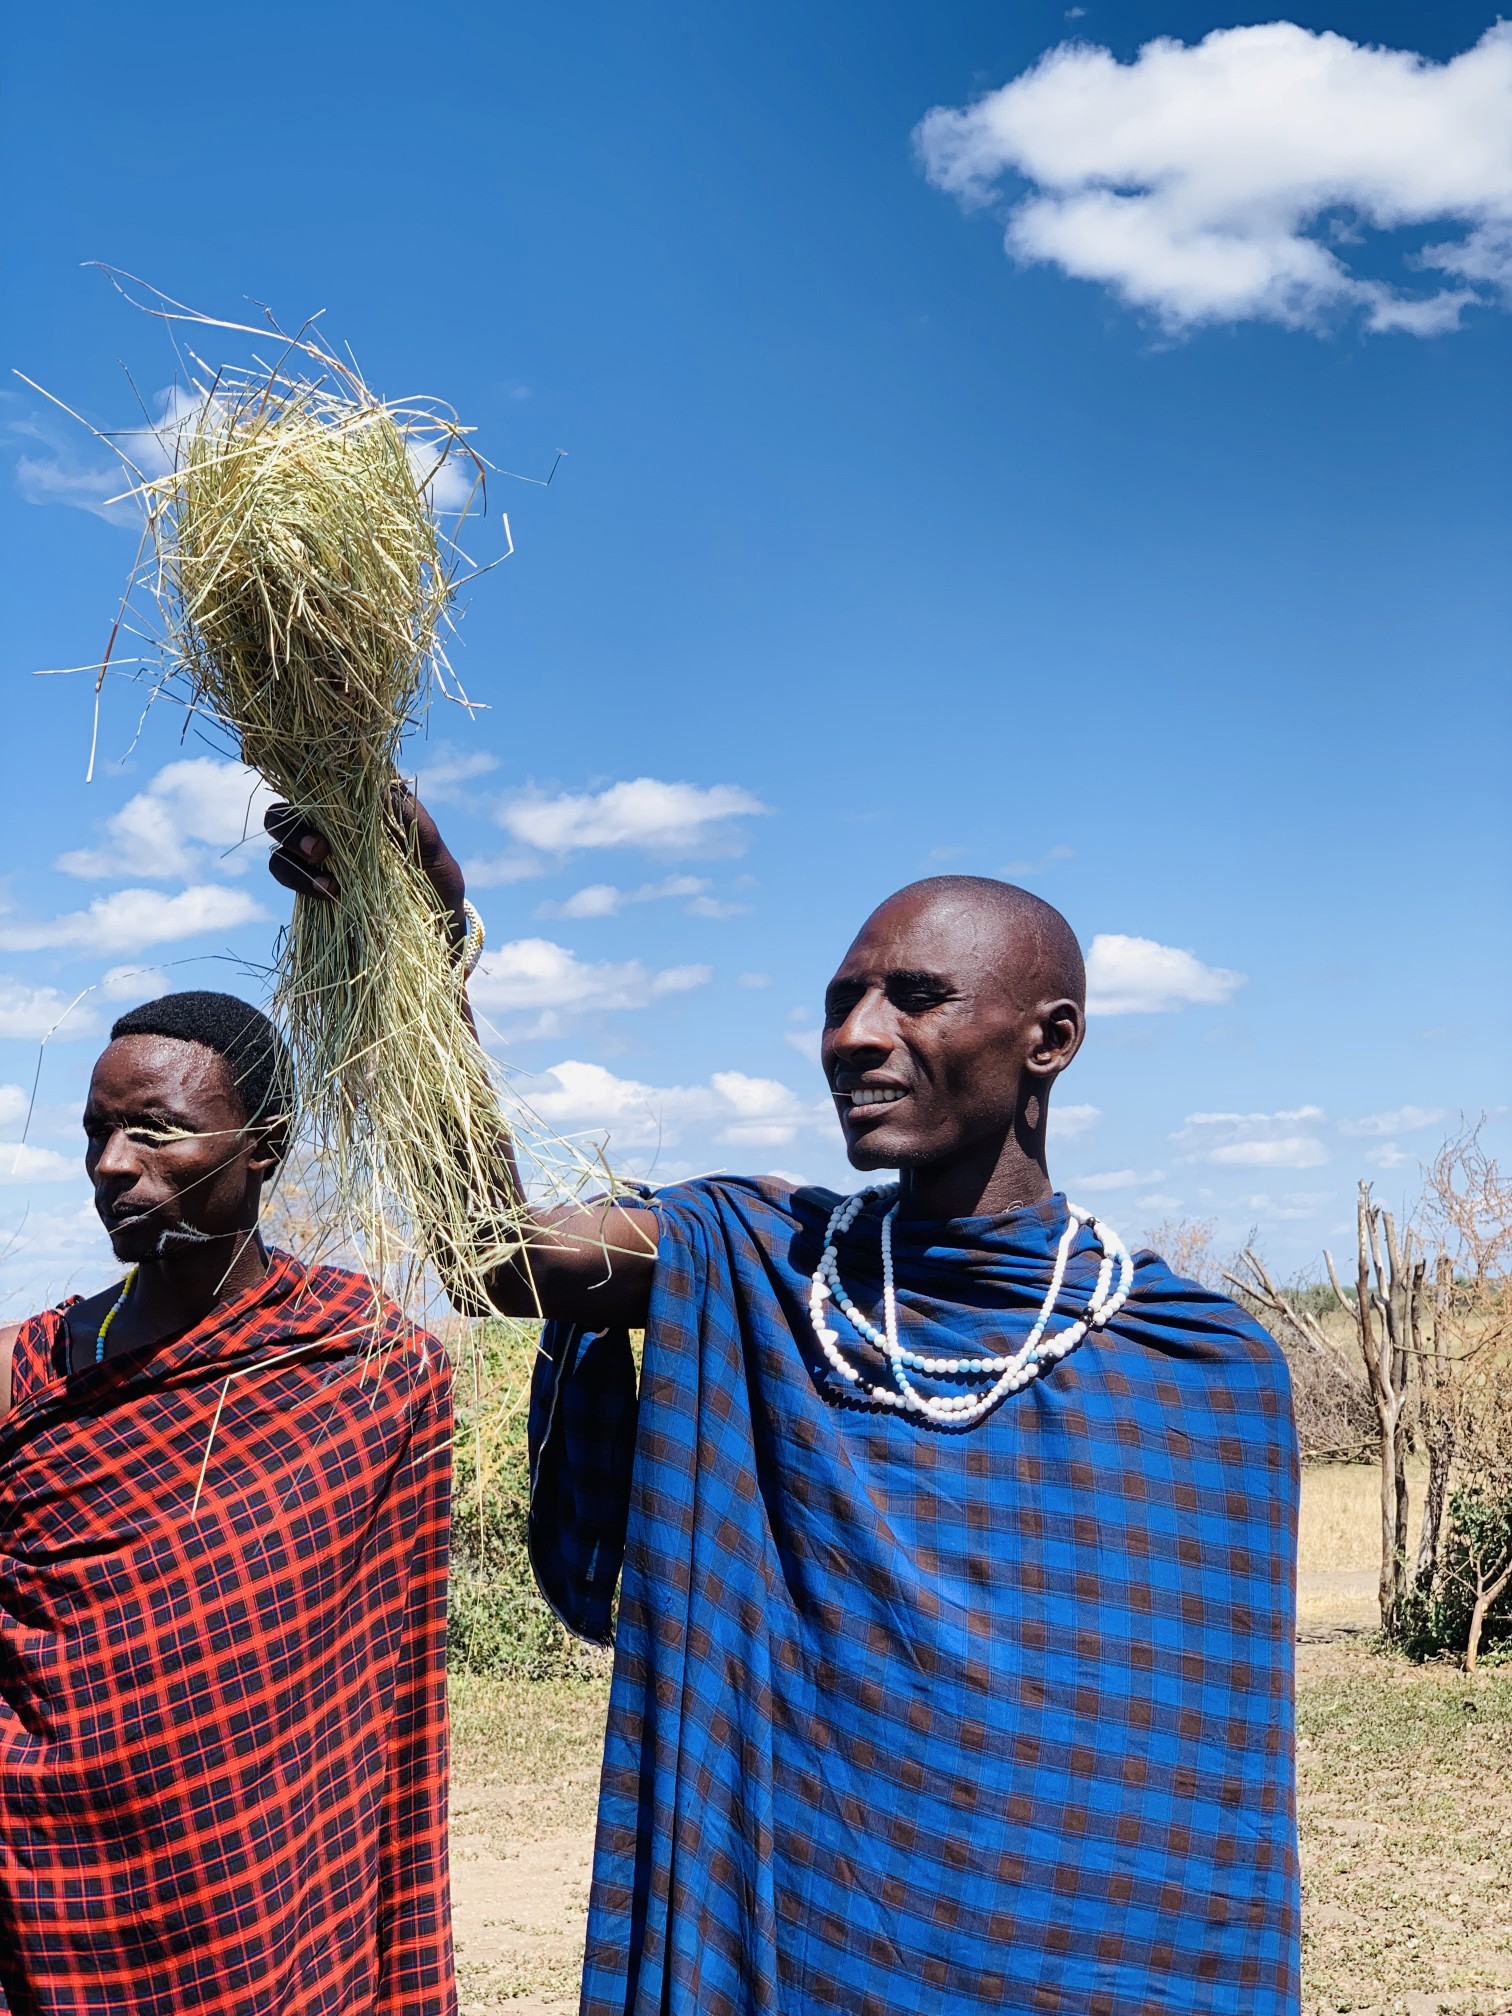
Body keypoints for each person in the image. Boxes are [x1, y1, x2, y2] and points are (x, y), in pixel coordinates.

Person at [269, 800, 1302, 2015]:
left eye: (915, 997)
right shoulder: (758, 1258)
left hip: (1076, 1959)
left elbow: (1193, 1784)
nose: (855, 1036)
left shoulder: (1200, 1367)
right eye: (839, 1002)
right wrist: (423, 962)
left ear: (1051, 1039)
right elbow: (489, 1252)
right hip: (806, 1949)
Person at [0, 991, 456, 2016]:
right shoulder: (27, 1378)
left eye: (157, 1130)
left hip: (270, 1901)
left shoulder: (362, 1366)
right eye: (98, 1132)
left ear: (264, 1146)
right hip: (53, 1899)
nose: (114, 1165)